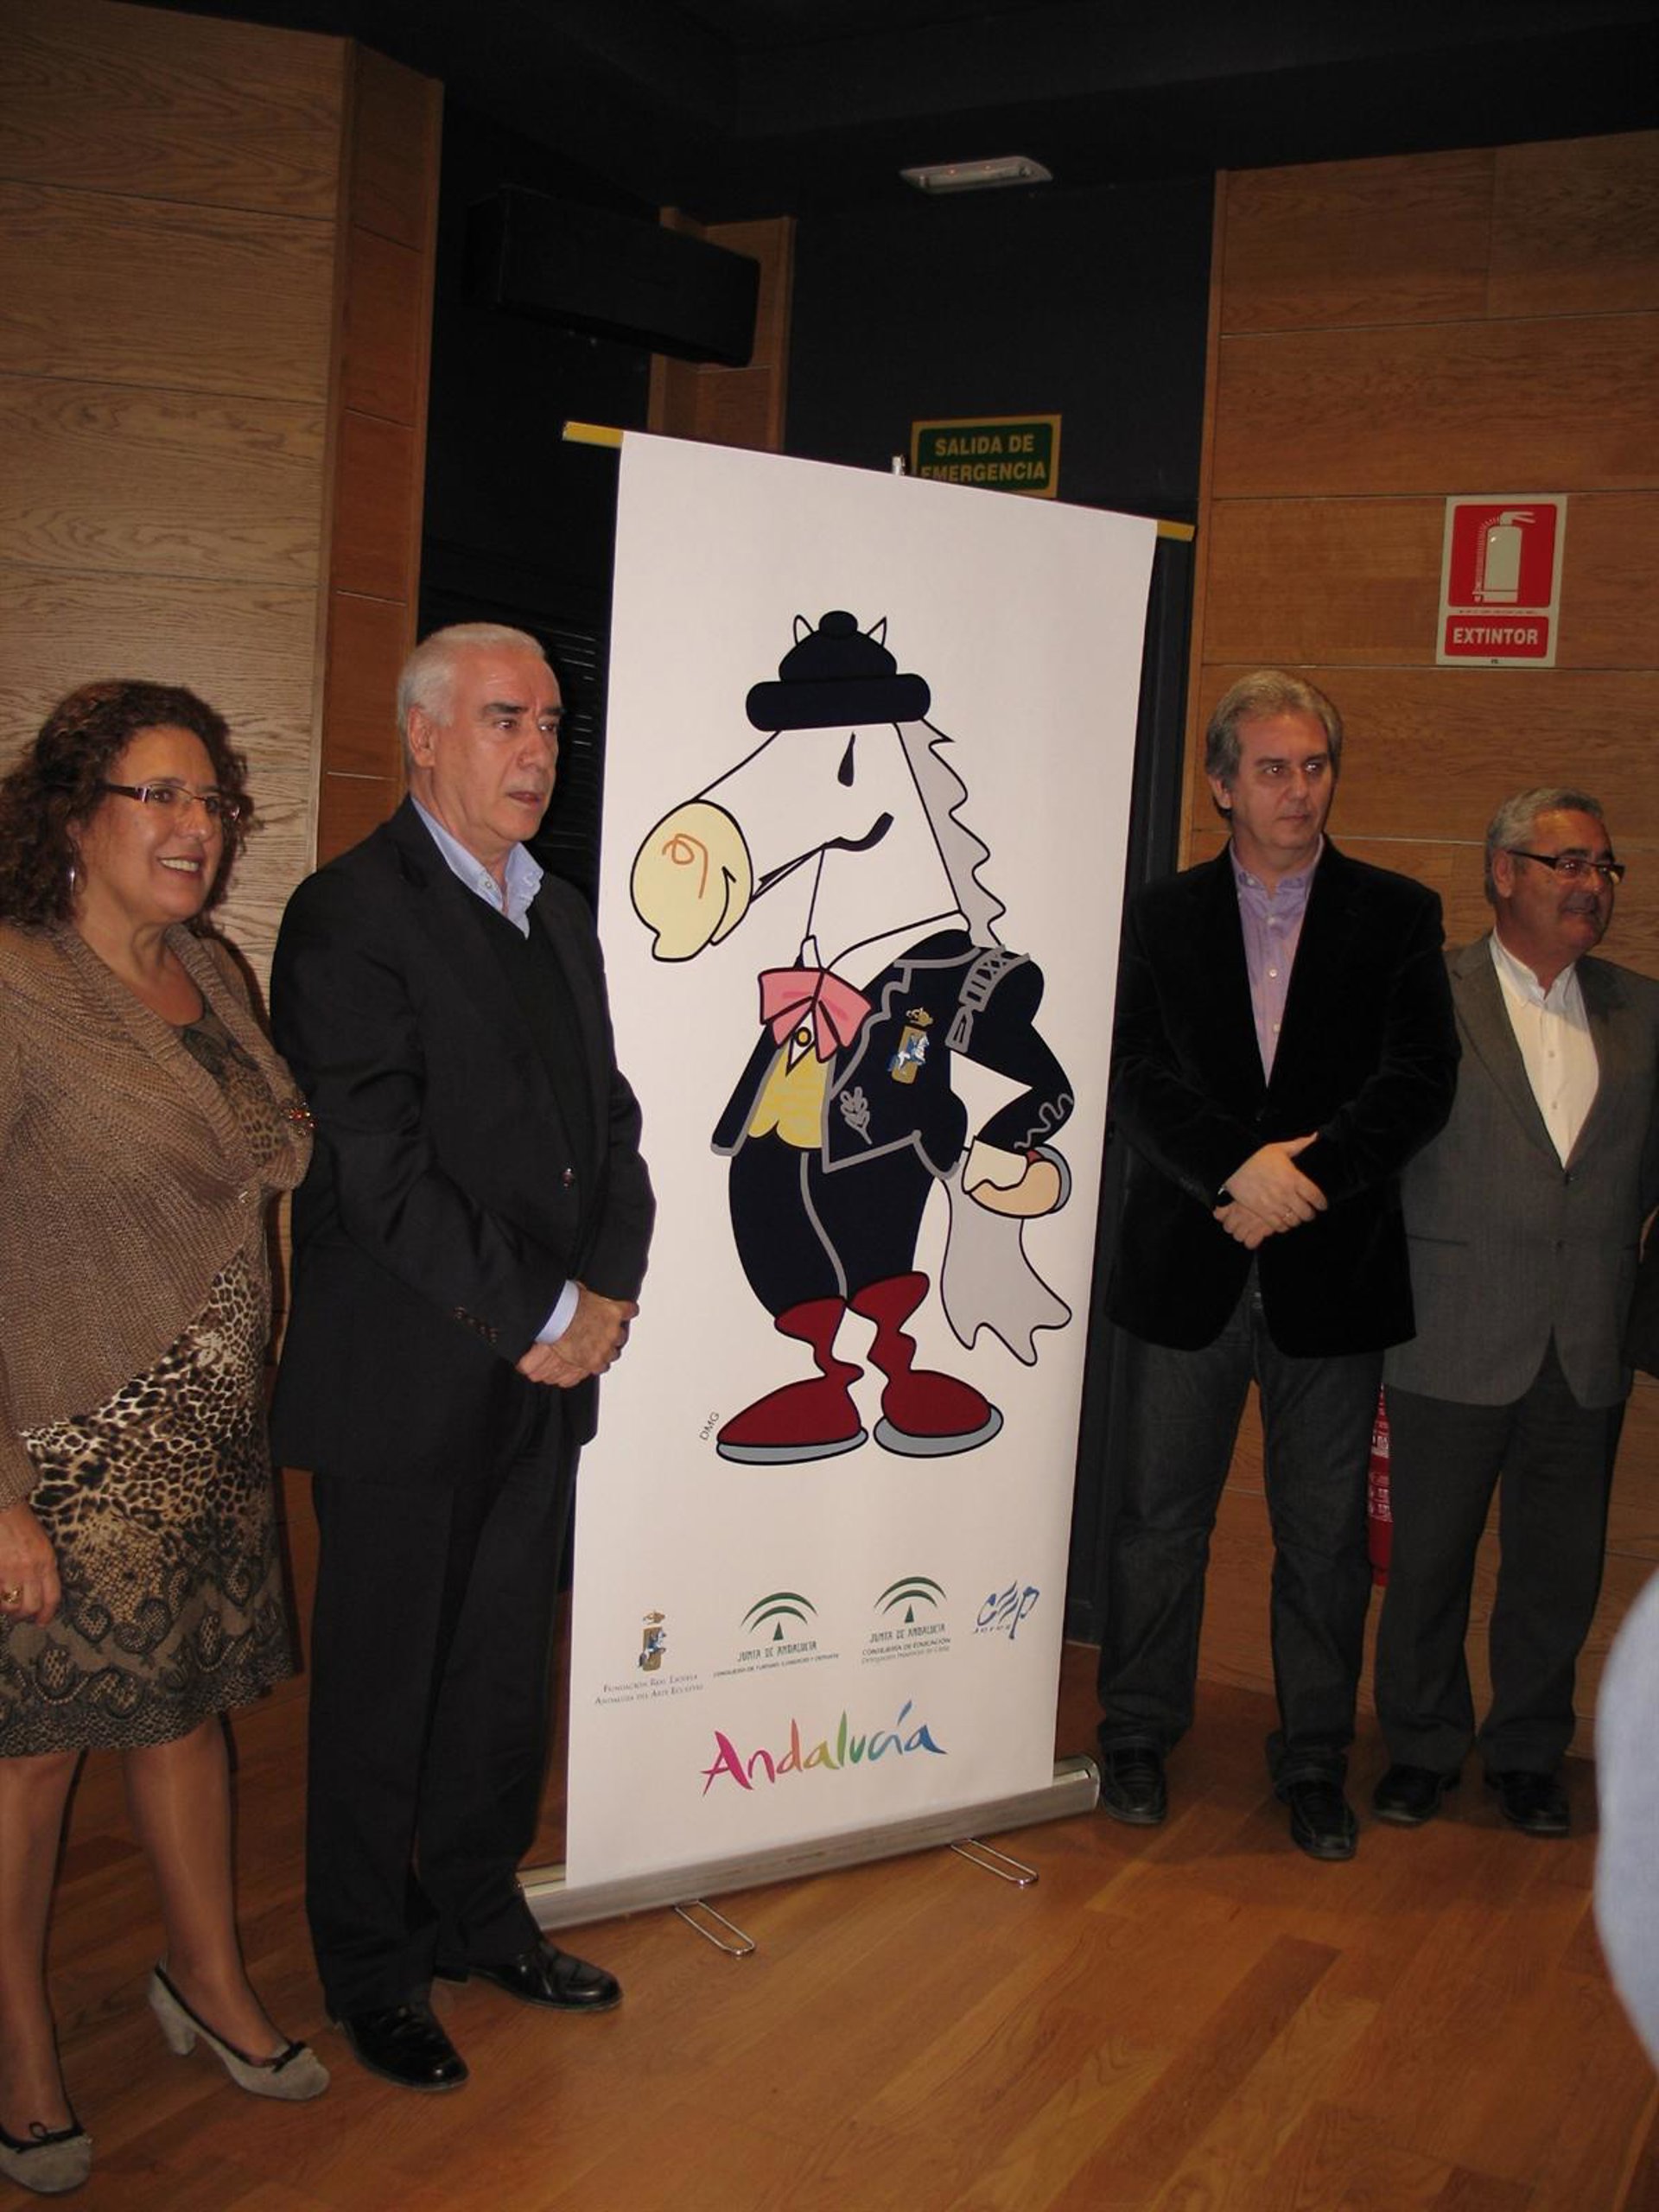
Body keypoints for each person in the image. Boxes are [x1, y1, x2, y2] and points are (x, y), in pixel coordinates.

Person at [270, 624, 653, 2093]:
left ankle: (483, 1915)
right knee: (383, 1691)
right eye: (507, 720)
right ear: (423, 735)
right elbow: (378, 1174)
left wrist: (604, 1291)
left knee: (499, 1673)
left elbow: (608, 1124)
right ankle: (373, 1966)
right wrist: (554, 1312)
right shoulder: (349, 914)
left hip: (541, 1370)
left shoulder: (557, 912)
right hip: (405, 1381)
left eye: (550, 724)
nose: (538, 750)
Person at [0, 681, 327, 2197]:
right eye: (162, 797)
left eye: (213, 801)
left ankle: (205, 1979)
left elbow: (260, 1166)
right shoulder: (16, 981)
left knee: (186, 1716)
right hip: (67, 1446)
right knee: (35, 1757)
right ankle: (19, 2050)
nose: (198, 827)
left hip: (205, 1442)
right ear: (76, 816)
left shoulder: (212, 968)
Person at [1096, 669, 1458, 1860]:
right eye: (1271, 769)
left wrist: (1298, 1184)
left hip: (1333, 1269)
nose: (1298, 790)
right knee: (1157, 1525)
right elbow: (1134, 1073)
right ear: (1220, 785)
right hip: (1184, 1268)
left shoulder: (1397, 914)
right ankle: (1136, 1733)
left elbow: (1419, 1082)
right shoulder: (1159, 916)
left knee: (1324, 1540)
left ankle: (1312, 1759)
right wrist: (1233, 1173)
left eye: (1314, 766)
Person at [1373, 789, 1659, 1838]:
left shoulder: (1644, 1011)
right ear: (1503, 872)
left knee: (1558, 1566)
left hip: (1584, 1339)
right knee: (1429, 1561)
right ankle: (1419, 1746)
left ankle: (1529, 1754)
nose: (1592, 886)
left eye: (1604, 867)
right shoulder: (1424, 994)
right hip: (1449, 1327)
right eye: (1568, 863)